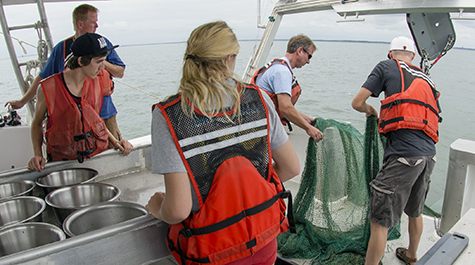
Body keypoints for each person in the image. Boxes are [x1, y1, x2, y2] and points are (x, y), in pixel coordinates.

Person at [146, 21, 300, 265]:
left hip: (213, 251)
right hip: (264, 240)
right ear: (230, 58)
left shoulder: (170, 116)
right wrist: (252, 195)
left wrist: (157, 207)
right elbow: (291, 167)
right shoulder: (259, 98)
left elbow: (177, 210)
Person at [352, 36, 441, 265]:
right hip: (428, 156)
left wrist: (370, 109)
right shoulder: (427, 79)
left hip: (403, 156)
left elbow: (357, 102)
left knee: (379, 221)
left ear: (390, 53)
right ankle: (411, 255)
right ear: (413, 56)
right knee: (415, 210)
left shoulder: (386, 66)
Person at [5, 4, 126, 149]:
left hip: (105, 114)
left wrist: (99, 60)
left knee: (112, 153)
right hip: (74, 119)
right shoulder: (61, 49)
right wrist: (22, 101)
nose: (97, 26)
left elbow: (120, 72)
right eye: (93, 22)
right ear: (80, 24)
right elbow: (42, 78)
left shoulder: (103, 44)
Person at [28, 33, 133, 172]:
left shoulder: (96, 83)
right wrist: (37, 155)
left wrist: (116, 142)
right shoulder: (47, 88)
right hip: (64, 164)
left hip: (95, 160)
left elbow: (96, 121)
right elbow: (36, 123)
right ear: (82, 61)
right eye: (98, 61)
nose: (103, 67)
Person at [251, 34, 323, 141]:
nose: (308, 61)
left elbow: (281, 106)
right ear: (299, 51)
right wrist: (308, 128)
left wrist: (308, 119)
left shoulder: (276, 66)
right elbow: (285, 108)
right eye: (309, 56)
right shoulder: (283, 72)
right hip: (262, 129)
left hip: (256, 123)